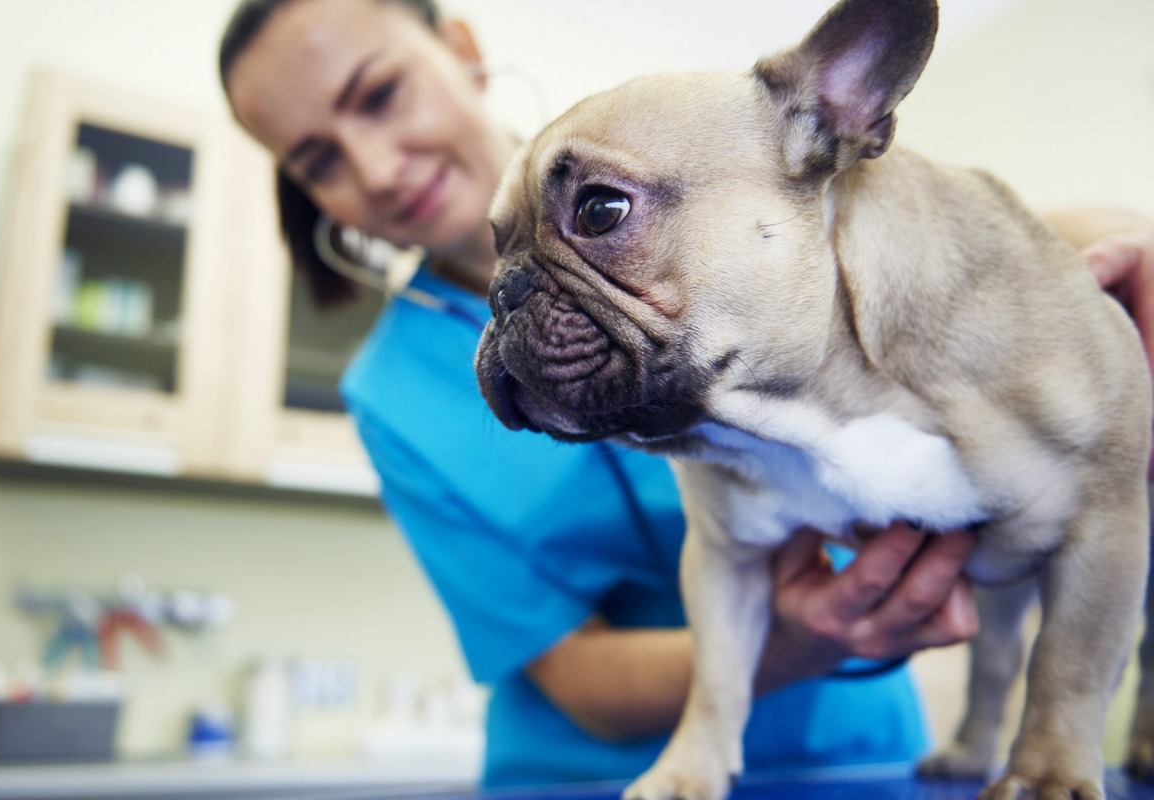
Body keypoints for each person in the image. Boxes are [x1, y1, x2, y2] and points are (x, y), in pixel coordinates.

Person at [218, 0, 1154, 786]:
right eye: (316, 160)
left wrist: (1102, 238)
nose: (376, 166)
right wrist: (795, 641)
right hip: (592, 776)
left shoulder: (714, 155)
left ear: (462, 52)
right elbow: (571, 672)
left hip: (863, 757)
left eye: (379, 95)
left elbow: (931, 255)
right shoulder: (385, 392)